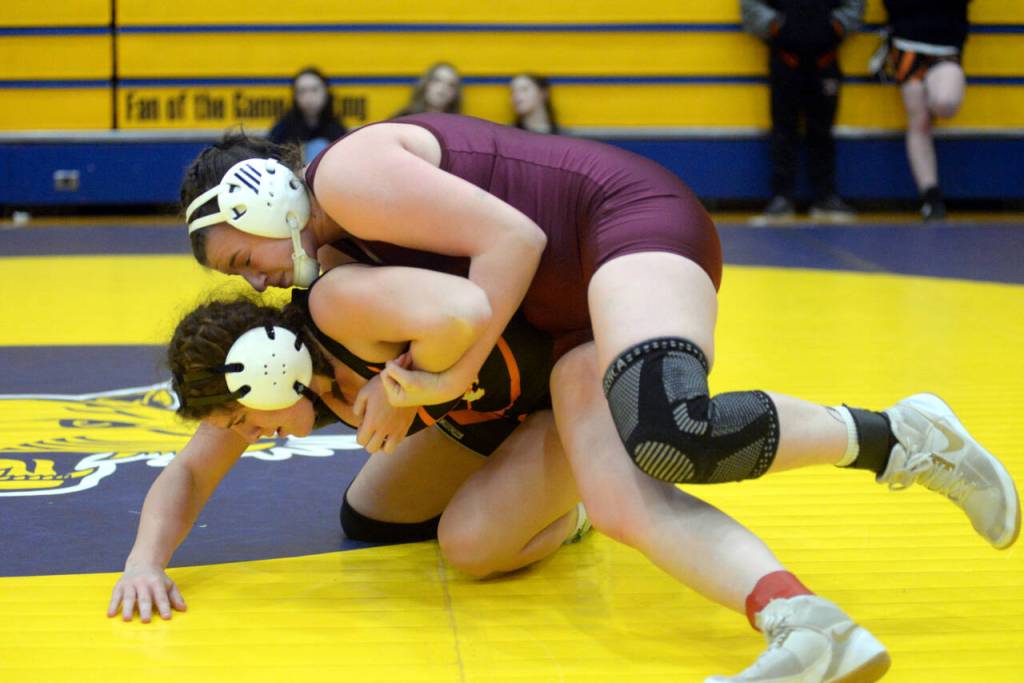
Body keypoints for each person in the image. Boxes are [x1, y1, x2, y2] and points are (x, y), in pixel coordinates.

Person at [178, 116, 1020, 682]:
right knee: (624, 501)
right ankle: (807, 625)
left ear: (259, 195)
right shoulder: (336, 263)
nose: (249, 279)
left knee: (671, 428)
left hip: (615, 222)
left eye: (236, 257)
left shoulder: (348, 178)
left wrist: (436, 381)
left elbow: (517, 237)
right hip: (567, 322)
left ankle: (897, 435)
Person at [107, 270, 589, 623]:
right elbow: (190, 472)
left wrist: (408, 379)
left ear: (267, 374)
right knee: (371, 515)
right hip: (492, 410)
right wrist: (144, 562)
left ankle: (578, 506)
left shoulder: (352, 325)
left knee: (473, 547)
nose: (247, 436)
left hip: (564, 393)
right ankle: (529, 479)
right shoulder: (281, 373)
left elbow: (467, 306)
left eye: (240, 419)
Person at [741, 0, 864, 223]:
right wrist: (775, 26)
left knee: (823, 131)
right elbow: (750, 4)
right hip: (784, 60)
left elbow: (855, 4)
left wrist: (835, 26)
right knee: (782, 130)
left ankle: (825, 197)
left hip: (825, 60)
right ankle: (782, 197)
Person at [881, 0, 970, 221]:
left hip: (946, 46)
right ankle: (931, 195)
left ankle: (933, 94)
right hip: (907, 44)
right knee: (918, 120)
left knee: (945, 103)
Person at [268, 68, 346, 162]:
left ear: (326, 92)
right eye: (302, 91)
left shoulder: (337, 129)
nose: (309, 97)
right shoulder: (282, 130)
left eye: (314, 90)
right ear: (295, 96)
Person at [393, 62, 462, 117]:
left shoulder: (458, 126)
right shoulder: (402, 120)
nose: (443, 87)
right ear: (426, 84)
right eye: (437, 80)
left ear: (455, 95)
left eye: (451, 85)